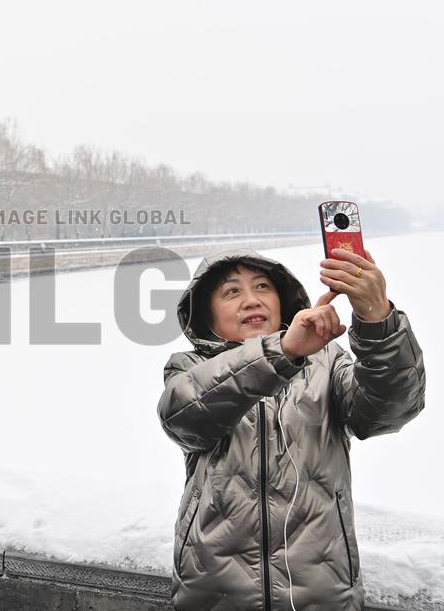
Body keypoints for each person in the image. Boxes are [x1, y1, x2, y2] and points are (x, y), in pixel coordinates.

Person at [156, 247, 425, 610]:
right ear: (206, 314)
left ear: (282, 300)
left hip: (323, 592)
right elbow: (183, 419)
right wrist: (280, 352)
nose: (251, 300)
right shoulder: (188, 368)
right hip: (212, 593)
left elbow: (391, 410)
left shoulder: (326, 362)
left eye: (263, 287)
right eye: (232, 291)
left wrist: (377, 321)